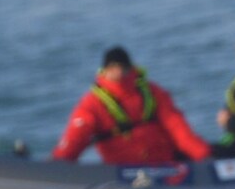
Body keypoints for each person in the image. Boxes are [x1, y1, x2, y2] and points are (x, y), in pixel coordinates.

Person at [52, 47, 211, 164]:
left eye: (122, 67)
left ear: (131, 68)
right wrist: (57, 164)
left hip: (164, 165)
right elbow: (74, 140)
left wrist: (203, 156)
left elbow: (177, 128)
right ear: (104, 71)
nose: (118, 72)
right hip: (123, 173)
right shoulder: (92, 104)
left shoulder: (152, 92)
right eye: (112, 68)